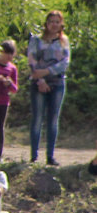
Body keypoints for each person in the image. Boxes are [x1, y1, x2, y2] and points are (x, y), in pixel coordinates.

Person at [27, 11, 70, 165]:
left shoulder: (63, 41)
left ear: (61, 24)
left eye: (57, 22)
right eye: (51, 21)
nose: (54, 24)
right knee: (37, 118)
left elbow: (65, 62)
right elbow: (32, 60)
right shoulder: (36, 40)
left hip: (57, 83)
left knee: (53, 120)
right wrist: (41, 79)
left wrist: (47, 71)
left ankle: (50, 156)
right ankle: (34, 156)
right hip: (38, 83)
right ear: (46, 23)